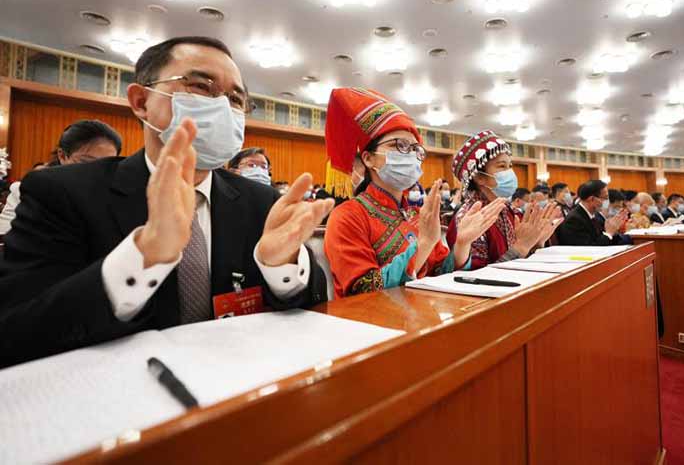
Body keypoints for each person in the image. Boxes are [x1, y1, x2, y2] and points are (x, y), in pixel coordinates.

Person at [0, 36, 333, 367]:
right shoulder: (62, 192)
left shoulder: (260, 201)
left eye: (235, 99)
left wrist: (282, 266)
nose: (222, 107)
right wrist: (142, 257)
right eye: (201, 87)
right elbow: (16, 329)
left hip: (235, 377)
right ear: (141, 101)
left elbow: (313, 305)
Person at [323, 89, 503, 297]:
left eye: (415, 149)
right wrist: (423, 245)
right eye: (399, 145)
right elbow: (362, 289)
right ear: (368, 158)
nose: (409, 154)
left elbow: (442, 274)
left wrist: (462, 244)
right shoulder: (347, 216)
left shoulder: (417, 215)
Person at [447, 130, 561, 269]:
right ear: (479, 177)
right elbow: (475, 277)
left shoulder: (512, 212)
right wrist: (521, 247)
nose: (510, 172)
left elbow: (526, 264)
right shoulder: (468, 218)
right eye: (502, 166)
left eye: (510, 166)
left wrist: (537, 242)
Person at [0, 120, 123, 235]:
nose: (96, 172)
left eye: (106, 165)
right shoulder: (27, 192)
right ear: (62, 156)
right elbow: (5, 239)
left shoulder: (115, 200)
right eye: (86, 162)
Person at [556, 180, 629, 246]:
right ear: (592, 199)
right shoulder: (574, 219)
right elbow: (589, 247)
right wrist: (609, 233)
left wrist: (614, 230)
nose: (607, 202)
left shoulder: (596, 216)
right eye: (605, 198)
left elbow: (605, 239)